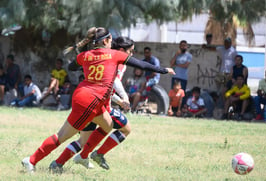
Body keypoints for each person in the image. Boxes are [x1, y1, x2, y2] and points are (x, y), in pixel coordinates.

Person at [21, 27, 175, 173]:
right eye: (111, 40)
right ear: (107, 40)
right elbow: (142, 65)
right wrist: (164, 70)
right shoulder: (115, 55)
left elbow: (72, 67)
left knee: (108, 124)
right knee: (62, 136)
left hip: (89, 97)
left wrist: (88, 64)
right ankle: (32, 161)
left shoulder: (85, 56)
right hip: (90, 101)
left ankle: (82, 156)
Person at [49, 36, 134, 173]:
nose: (132, 55)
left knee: (83, 140)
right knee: (126, 128)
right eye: (131, 51)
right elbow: (108, 88)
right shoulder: (115, 62)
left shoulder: (106, 57)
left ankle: (58, 163)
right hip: (99, 107)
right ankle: (95, 154)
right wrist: (122, 100)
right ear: (122, 50)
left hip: (88, 103)